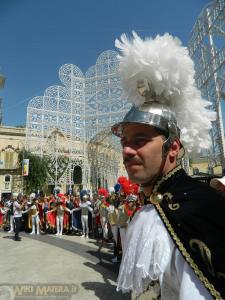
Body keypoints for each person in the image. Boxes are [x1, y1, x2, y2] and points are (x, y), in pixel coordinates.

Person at [111, 32, 225, 299]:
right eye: (124, 141)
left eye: (139, 139)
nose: (127, 150)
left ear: (173, 148)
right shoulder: (153, 208)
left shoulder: (201, 207)